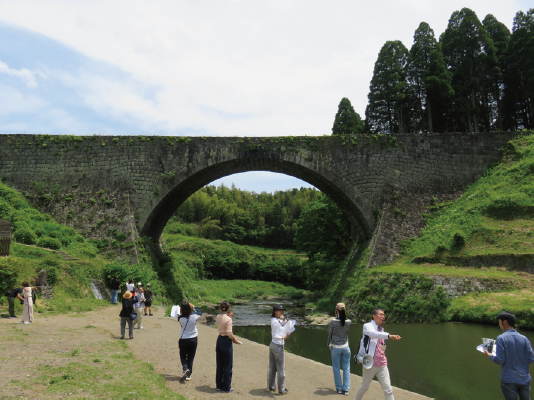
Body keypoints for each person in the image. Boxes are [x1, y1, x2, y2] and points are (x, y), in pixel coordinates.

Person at [485, 311, 534, 399]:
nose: (499, 325)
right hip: (524, 378)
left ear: (505, 322)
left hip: (508, 379)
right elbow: (531, 359)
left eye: (499, 323)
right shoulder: (524, 339)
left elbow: (500, 360)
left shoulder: (501, 338)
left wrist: (489, 355)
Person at [355, 308, 401, 400]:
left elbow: (382, 345)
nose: (383, 317)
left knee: (388, 390)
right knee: (364, 387)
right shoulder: (367, 326)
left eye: (384, 315)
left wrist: (383, 348)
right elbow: (373, 334)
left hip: (382, 364)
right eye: (380, 314)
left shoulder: (382, 330)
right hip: (370, 363)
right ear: (374, 316)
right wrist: (389, 336)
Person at [328, 302, 351, 395]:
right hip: (345, 347)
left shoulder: (333, 321)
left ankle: (339, 388)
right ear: (345, 310)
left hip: (336, 348)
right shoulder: (349, 322)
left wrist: (329, 345)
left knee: (336, 368)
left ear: (336, 310)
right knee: (346, 368)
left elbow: (330, 335)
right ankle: (346, 389)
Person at [216, 300, 239, 393]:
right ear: (229, 308)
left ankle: (218, 385)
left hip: (219, 339)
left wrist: (229, 317)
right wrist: (234, 339)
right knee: (228, 365)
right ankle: (226, 387)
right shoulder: (229, 319)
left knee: (220, 364)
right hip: (226, 341)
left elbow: (222, 320)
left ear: (220, 308)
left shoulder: (218, 316)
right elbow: (229, 332)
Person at [269, 304, 291, 395]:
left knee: (272, 367)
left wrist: (284, 319)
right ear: (275, 311)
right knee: (281, 369)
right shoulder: (275, 322)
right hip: (278, 345)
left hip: (273, 345)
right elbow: (275, 335)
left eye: (282, 310)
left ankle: (271, 386)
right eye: (279, 310)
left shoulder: (276, 320)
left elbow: (285, 324)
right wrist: (283, 337)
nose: (281, 311)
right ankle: (282, 389)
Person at [178, 302, 202, 382]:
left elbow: (181, 315)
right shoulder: (194, 316)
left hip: (184, 338)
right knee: (191, 356)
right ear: (189, 308)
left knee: (183, 355)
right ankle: (188, 375)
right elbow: (200, 313)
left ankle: (185, 369)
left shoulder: (180, 318)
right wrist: (193, 306)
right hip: (193, 338)